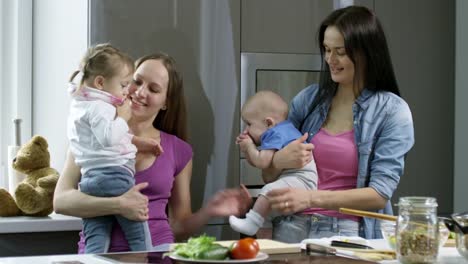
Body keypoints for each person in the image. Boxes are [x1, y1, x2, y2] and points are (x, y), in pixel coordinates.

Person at [55, 51, 252, 253]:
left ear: (166, 102)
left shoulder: (178, 150)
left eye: (154, 89)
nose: (140, 92)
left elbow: (179, 226)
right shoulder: (89, 135)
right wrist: (118, 205)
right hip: (96, 258)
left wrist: (210, 211)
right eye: (136, 81)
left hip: (155, 256)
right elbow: (61, 201)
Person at [262, 5, 415, 242]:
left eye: (340, 52)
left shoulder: (392, 111)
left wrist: (311, 198)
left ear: (366, 52)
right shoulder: (309, 99)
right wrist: (278, 160)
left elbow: (379, 193)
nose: (330, 60)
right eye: (326, 49)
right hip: (291, 226)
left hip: (349, 233)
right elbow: (270, 174)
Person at [66, 43, 164, 253]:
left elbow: (102, 142)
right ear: (100, 82)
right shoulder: (100, 107)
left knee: (97, 236)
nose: (127, 91)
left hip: (90, 181)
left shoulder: (80, 105)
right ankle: (143, 257)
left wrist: (138, 142)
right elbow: (109, 138)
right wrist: (123, 117)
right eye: (123, 85)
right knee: (138, 232)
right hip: (114, 176)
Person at [229, 91, 317, 236]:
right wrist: (246, 149)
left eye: (249, 124)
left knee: (268, 192)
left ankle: (251, 224)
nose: (246, 130)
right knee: (266, 210)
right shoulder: (281, 129)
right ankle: (264, 240)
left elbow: (263, 162)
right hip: (295, 178)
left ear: (268, 123)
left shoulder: (275, 133)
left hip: (302, 179)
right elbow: (260, 162)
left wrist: (250, 147)